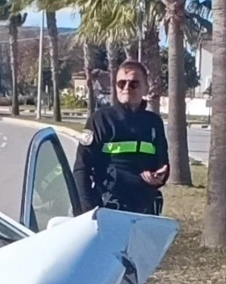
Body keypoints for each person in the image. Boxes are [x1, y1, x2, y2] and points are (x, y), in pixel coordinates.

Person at [72, 60, 170, 216]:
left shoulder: (154, 122)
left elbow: (162, 163)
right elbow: (81, 168)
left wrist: (159, 177)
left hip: (145, 212)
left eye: (133, 84)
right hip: (109, 209)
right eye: (121, 83)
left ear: (145, 87)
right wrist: (89, 213)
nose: (126, 88)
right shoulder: (100, 120)